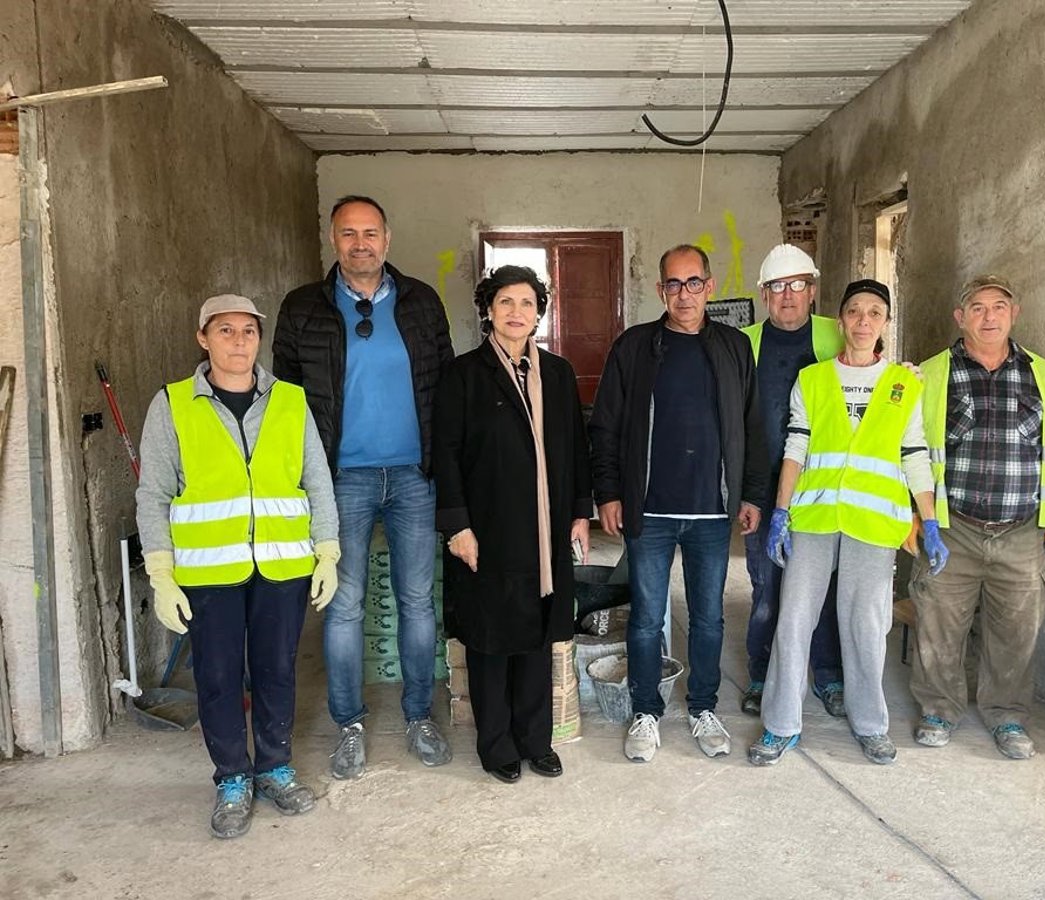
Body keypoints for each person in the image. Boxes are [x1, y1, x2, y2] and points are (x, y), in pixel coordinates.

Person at [135, 294, 340, 839]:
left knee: (277, 670)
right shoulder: (173, 404)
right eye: (225, 330)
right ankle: (231, 777)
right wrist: (161, 574)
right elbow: (153, 493)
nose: (239, 341)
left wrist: (328, 550)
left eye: (248, 331)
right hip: (209, 572)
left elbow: (316, 480)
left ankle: (274, 767)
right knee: (219, 677)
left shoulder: (290, 401)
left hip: (282, 565)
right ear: (203, 338)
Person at [273, 195, 455, 779]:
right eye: (348, 233)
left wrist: (447, 465)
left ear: (387, 239)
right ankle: (348, 724)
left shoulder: (421, 301)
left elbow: (446, 385)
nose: (360, 243)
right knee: (343, 605)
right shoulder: (303, 307)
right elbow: (285, 400)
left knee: (417, 601)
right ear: (333, 240)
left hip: (414, 475)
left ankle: (418, 715)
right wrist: (300, 477)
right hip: (340, 477)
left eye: (370, 232)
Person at [748, 280, 948, 767]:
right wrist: (780, 512)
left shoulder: (904, 383)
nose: (863, 321)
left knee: (866, 624)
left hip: (873, 522)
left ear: (885, 324)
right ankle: (781, 724)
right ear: (840, 321)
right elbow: (796, 446)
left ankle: (870, 724)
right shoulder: (814, 379)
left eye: (874, 313)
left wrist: (930, 520)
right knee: (794, 620)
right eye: (855, 311)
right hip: (815, 517)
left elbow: (914, 454)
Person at [590, 243, 768, 763]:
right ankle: (646, 711)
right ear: (660, 289)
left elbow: (752, 426)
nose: (684, 294)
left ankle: (703, 708)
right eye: (673, 283)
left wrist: (752, 493)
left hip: (711, 512)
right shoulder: (634, 347)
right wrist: (609, 493)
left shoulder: (734, 347)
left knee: (709, 618)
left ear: (709, 287)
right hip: (650, 510)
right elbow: (605, 425)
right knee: (647, 617)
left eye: (693, 283)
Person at [432, 266, 592, 783]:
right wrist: (457, 526)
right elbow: (446, 454)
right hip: (490, 527)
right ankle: (496, 744)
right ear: (488, 309)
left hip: (545, 529)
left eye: (526, 303)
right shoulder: (463, 374)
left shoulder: (558, 374)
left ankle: (535, 740)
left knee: (537, 635)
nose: (516, 312)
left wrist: (580, 513)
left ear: (539, 312)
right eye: (505, 302)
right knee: (491, 636)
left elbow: (577, 448)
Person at [909, 275, 1045, 760]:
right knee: (939, 624)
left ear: (1013, 313)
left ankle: (1007, 715)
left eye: (999, 306)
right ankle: (938, 710)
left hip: (1021, 530)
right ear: (960, 317)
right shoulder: (929, 374)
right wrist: (911, 514)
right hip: (952, 528)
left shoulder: (1043, 375)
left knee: (1017, 629)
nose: (989, 317)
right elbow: (907, 448)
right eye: (978, 308)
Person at [740, 244, 847, 719]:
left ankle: (828, 674)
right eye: (778, 287)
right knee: (767, 587)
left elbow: (875, 375)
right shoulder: (743, 343)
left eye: (798, 285)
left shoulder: (836, 333)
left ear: (813, 290)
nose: (788, 295)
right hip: (763, 489)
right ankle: (761, 674)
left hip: (823, 486)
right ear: (764, 294)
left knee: (823, 587)